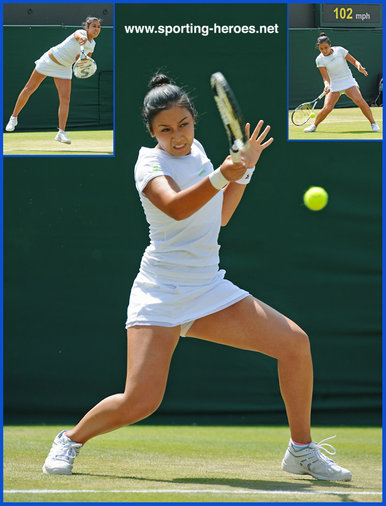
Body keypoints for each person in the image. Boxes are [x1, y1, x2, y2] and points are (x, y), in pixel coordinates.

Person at [42, 73, 352, 482]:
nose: (177, 136)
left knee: (294, 343)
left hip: (208, 287)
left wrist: (244, 172)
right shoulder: (148, 163)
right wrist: (224, 173)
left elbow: (218, 215)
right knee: (141, 400)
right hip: (161, 292)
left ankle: (301, 450)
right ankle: (70, 439)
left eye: (184, 125)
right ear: (152, 131)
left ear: (194, 121)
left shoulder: (201, 152)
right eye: (165, 129)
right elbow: (175, 207)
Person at [4, 16, 101, 144]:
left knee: (65, 99)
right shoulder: (80, 33)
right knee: (29, 88)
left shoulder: (92, 45)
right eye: (94, 26)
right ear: (86, 27)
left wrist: (82, 60)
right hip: (49, 61)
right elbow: (78, 35)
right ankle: (13, 118)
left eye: (98, 27)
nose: (96, 29)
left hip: (64, 68)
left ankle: (61, 133)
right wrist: (81, 38)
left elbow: (82, 62)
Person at [304, 32, 380, 133]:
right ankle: (314, 126)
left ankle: (373, 123)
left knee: (359, 100)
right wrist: (327, 85)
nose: (324, 51)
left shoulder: (339, 50)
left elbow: (354, 61)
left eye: (326, 47)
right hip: (334, 84)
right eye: (321, 49)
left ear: (330, 45)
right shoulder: (319, 59)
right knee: (327, 108)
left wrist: (359, 67)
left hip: (348, 81)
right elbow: (325, 77)